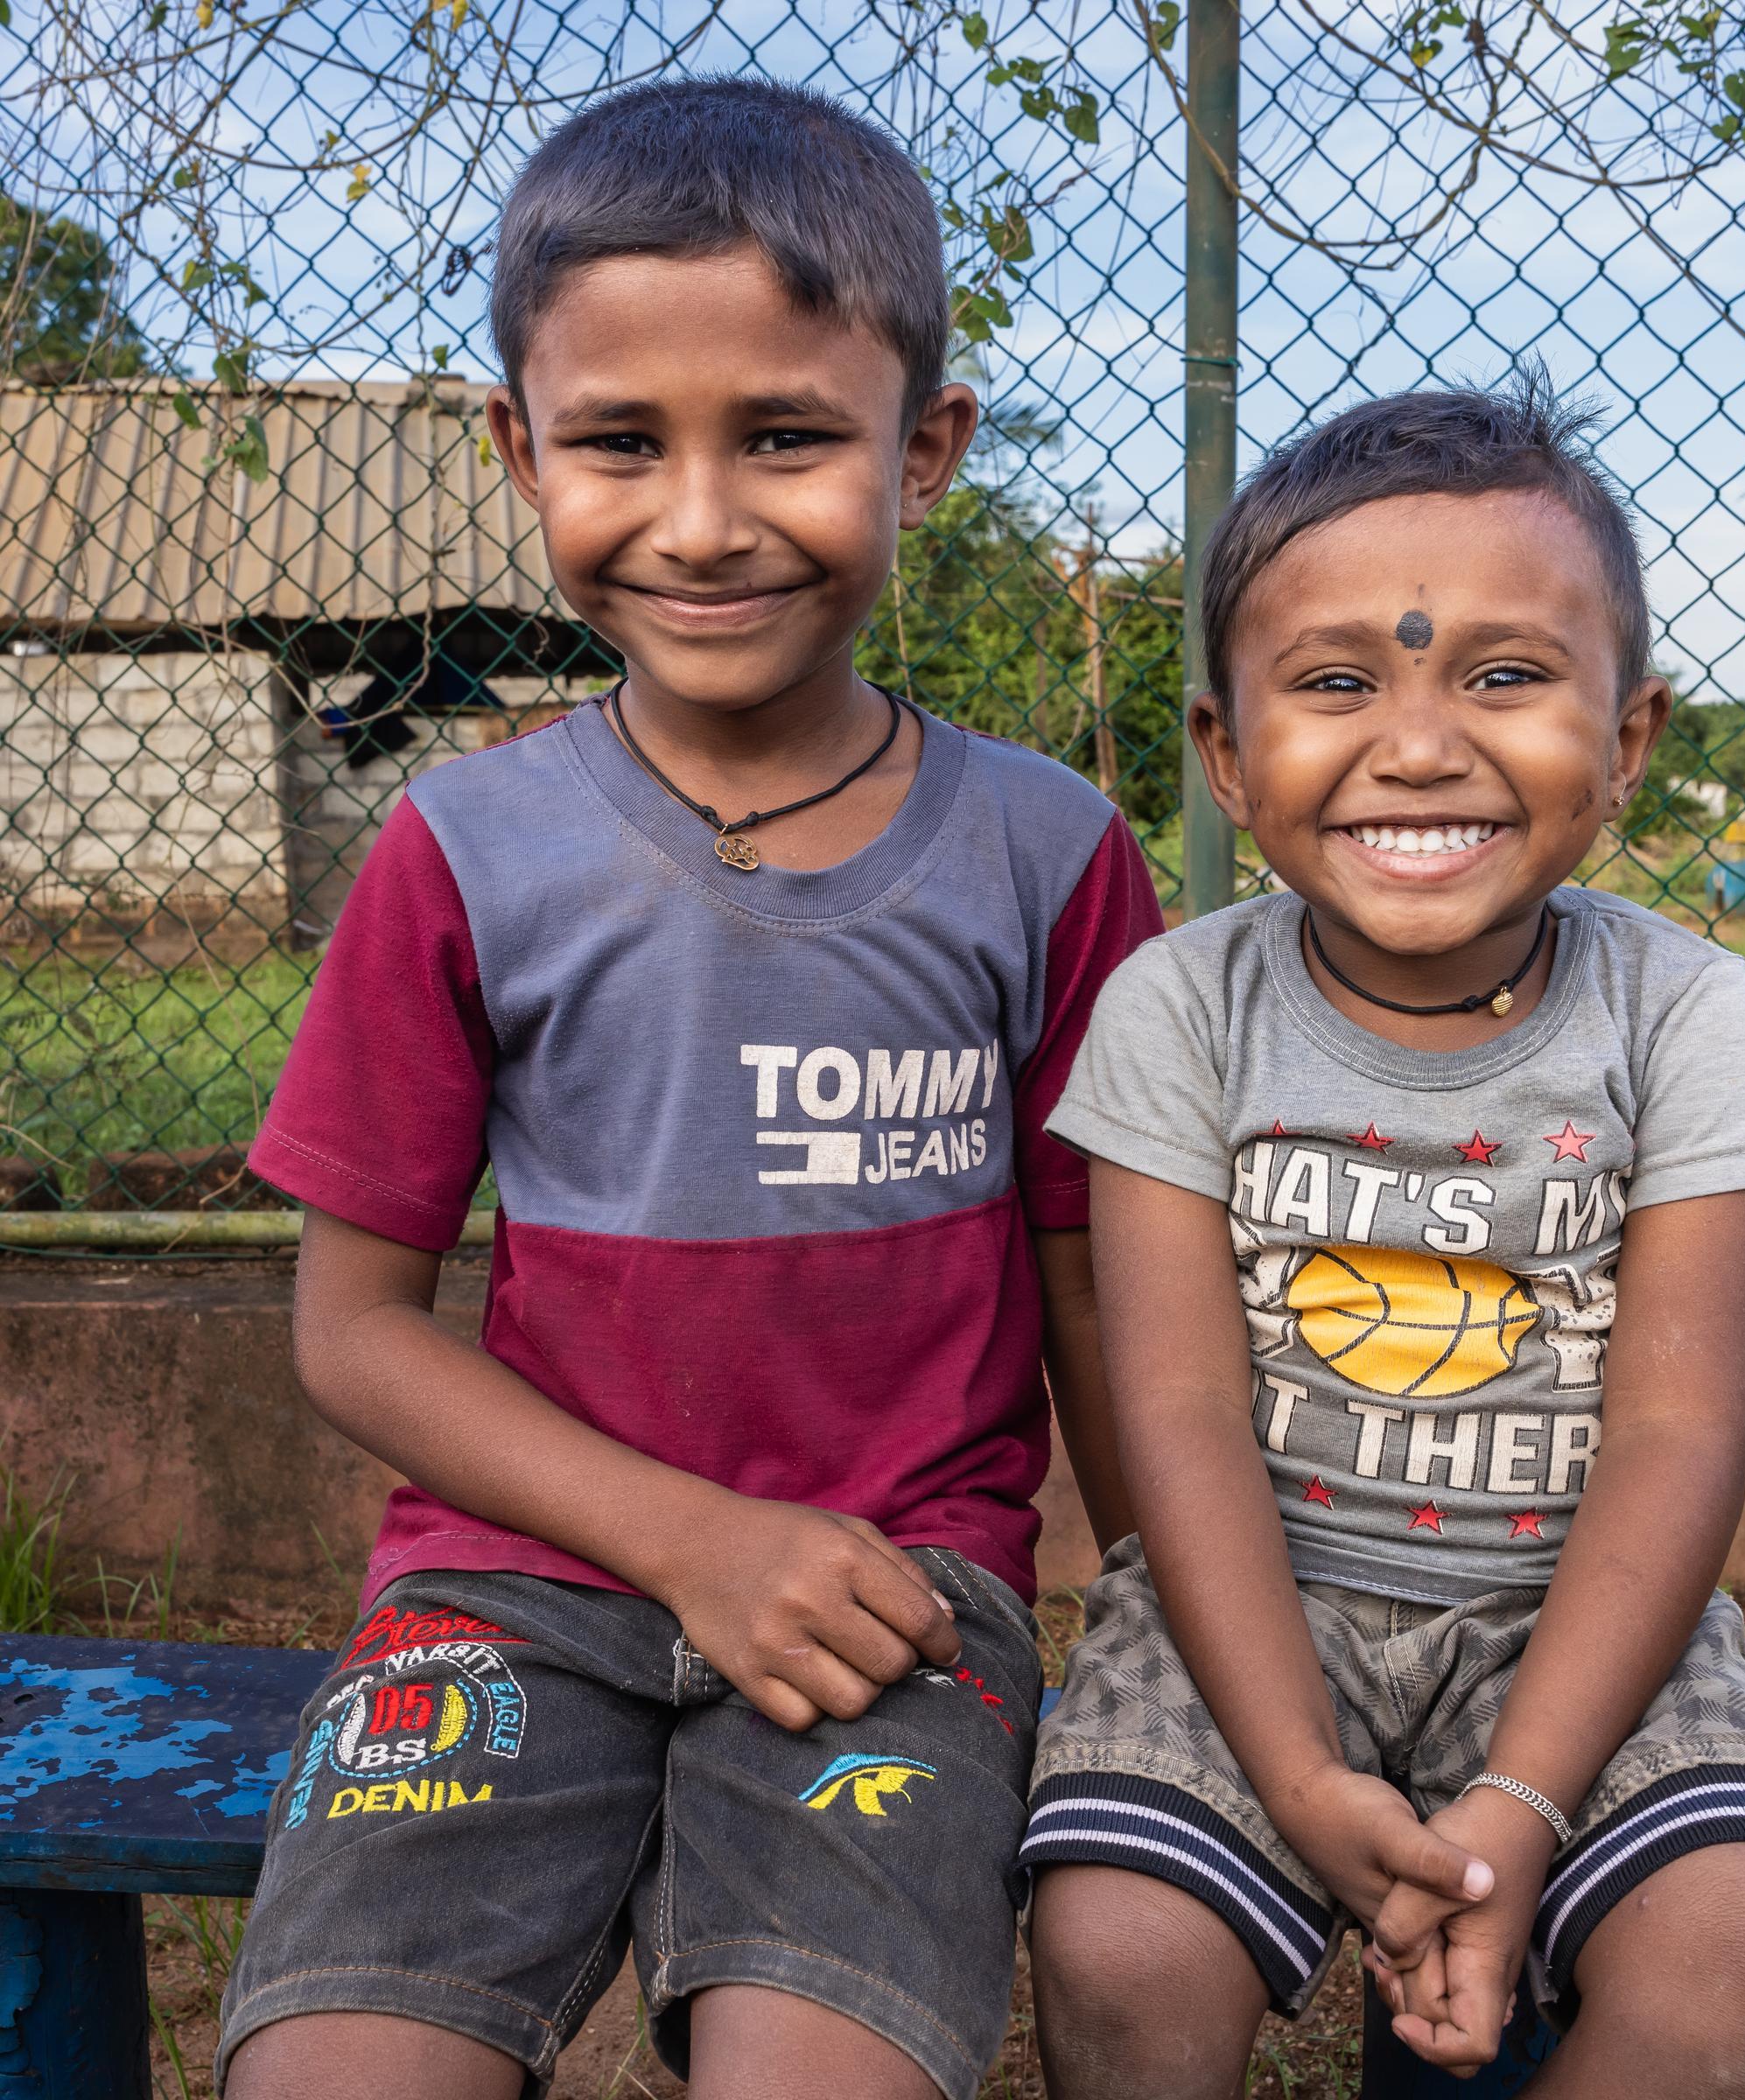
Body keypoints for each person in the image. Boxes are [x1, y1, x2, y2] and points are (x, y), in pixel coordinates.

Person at [219, 75, 1159, 2100]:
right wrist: (686, 1540)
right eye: (622, 442)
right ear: (517, 449)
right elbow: (353, 1329)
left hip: (887, 1604)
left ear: (928, 452)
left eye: (793, 438)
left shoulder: (1052, 854)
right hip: (508, 1586)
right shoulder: (460, 853)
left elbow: (1105, 1306)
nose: (705, 520)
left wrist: (1191, 1637)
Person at [1020, 378, 1745, 2099]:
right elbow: (1171, 1418)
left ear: (1627, 742)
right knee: (1122, 1948)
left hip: (1578, 1621)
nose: (1418, 743)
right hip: (1252, 1614)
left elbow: (1681, 1431)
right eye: (1338, 682)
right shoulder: (1177, 1010)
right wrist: (1300, 1774)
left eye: (1505, 674)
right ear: (1228, 757)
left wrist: (1526, 1801)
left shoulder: (1683, 1016)